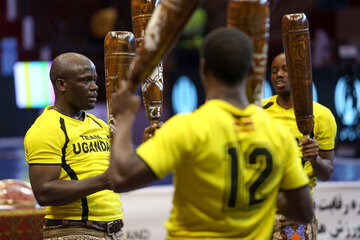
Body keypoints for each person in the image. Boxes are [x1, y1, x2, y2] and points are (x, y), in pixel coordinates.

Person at [107, 27, 314, 240]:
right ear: (253, 70)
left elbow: (120, 179)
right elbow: (304, 213)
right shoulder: (277, 133)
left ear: (204, 68)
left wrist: (124, 118)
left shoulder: (188, 128)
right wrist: (263, 192)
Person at [24, 52, 125, 240]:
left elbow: (121, 171)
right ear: (62, 85)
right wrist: (103, 181)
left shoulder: (99, 124)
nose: (95, 87)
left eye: (94, 80)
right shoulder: (47, 128)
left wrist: (148, 145)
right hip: (73, 232)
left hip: (114, 231)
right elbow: (44, 192)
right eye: (86, 81)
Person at [263, 52, 337, 240]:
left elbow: (326, 173)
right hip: (258, 212)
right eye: (274, 70)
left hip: (294, 214)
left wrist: (315, 159)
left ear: (300, 74)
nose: (278, 74)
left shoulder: (321, 116)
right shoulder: (260, 111)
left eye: (285, 70)